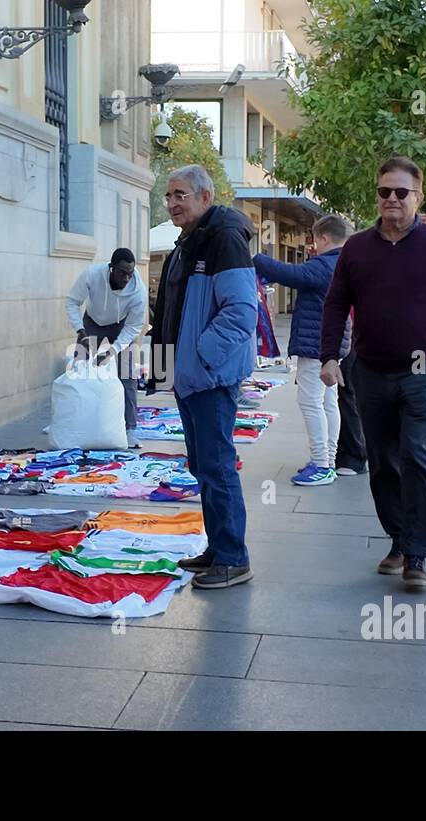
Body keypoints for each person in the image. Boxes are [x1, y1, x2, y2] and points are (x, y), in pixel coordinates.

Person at [320, 156, 426, 591]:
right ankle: (397, 538)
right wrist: (328, 356)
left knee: (416, 457)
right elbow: (336, 303)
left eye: (401, 192)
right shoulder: (356, 247)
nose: (391, 199)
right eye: (384, 192)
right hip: (370, 370)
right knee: (383, 465)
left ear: (418, 197)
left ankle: (417, 554)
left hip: (422, 370)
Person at [151, 165, 257, 590]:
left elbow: (241, 312)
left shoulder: (223, 239)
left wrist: (201, 357)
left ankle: (233, 558)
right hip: (190, 376)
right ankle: (218, 548)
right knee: (203, 465)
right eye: (170, 195)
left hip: (208, 377)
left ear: (205, 197)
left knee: (216, 466)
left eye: (181, 195)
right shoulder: (189, 240)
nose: (174, 203)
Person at [253, 214, 365, 486]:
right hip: (333, 346)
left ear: (324, 238)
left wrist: (255, 258)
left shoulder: (325, 264)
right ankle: (327, 459)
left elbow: (290, 274)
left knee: (311, 402)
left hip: (316, 346)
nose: (314, 246)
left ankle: (322, 463)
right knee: (328, 402)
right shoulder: (344, 263)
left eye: (315, 239)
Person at [65, 248, 147, 447]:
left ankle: (130, 429)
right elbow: (72, 302)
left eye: (130, 273)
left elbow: (134, 326)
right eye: (122, 272)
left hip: (121, 325)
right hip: (92, 322)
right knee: (79, 371)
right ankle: (69, 421)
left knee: (127, 376)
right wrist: (80, 331)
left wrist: (113, 351)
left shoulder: (139, 292)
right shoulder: (92, 275)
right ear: (111, 268)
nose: (127, 278)